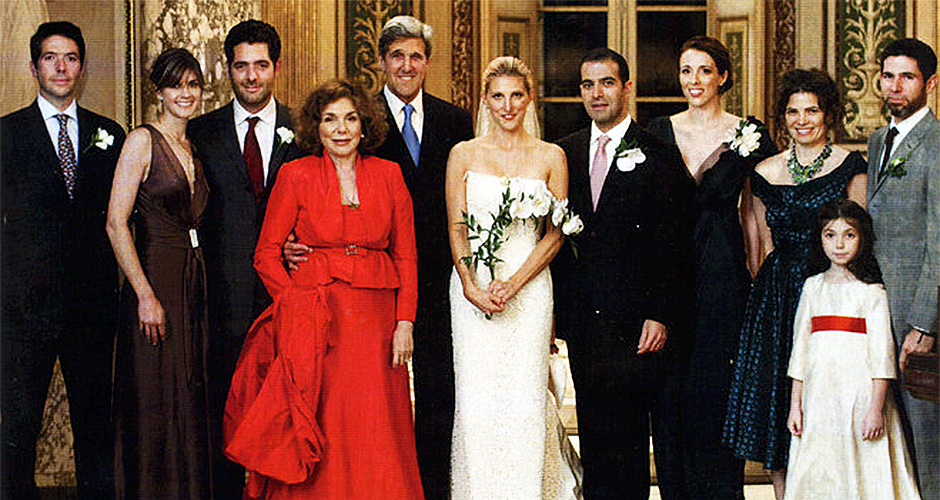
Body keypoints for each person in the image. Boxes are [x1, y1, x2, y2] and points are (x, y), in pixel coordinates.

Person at [283, 16, 475, 500]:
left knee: (439, 396)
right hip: (377, 287)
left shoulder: (455, 120)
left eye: (416, 56)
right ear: (382, 63)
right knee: (368, 408)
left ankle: (431, 491)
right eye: (397, 57)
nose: (407, 66)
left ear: (427, 62)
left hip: (443, 279)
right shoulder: (360, 120)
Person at [224, 79, 423, 500]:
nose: (341, 129)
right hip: (319, 323)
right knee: (329, 420)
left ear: (364, 126)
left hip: (378, 325)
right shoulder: (295, 175)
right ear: (316, 128)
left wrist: (405, 322)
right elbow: (266, 254)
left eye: (350, 119)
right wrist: (295, 305)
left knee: (377, 425)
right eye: (330, 120)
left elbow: (406, 256)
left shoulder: (389, 175)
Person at [551, 47, 694, 500]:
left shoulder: (659, 154)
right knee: (593, 432)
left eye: (607, 83)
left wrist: (660, 313)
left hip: (636, 322)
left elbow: (676, 243)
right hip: (583, 320)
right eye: (588, 85)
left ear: (626, 88)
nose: (597, 93)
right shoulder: (565, 152)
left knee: (629, 436)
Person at [723, 68, 867, 500]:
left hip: (831, 294)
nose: (802, 120)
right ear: (783, 117)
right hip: (777, 299)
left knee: (826, 407)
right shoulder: (763, 171)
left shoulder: (850, 166)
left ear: (828, 114)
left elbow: (859, 243)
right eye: (792, 111)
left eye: (812, 111)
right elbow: (763, 247)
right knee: (778, 410)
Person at [646, 36, 777, 500]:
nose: (694, 80)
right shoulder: (656, 131)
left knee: (717, 385)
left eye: (704, 70)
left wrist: (761, 273)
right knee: (670, 390)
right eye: (686, 70)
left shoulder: (749, 133)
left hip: (722, 270)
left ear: (723, 76)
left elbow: (758, 211)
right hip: (668, 270)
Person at [0, 21, 126, 500]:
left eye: (70, 57)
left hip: (92, 306)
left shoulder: (108, 134)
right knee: (19, 426)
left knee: (95, 426)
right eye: (50, 57)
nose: (61, 67)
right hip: (24, 309)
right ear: (34, 67)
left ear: (82, 67)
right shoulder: (7, 134)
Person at [445, 56, 581, 500]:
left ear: (529, 99)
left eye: (516, 95)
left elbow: (556, 233)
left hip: (530, 287)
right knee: (477, 400)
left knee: (524, 398)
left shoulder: (551, 156)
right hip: (473, 290)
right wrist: (471, 284)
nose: (507, 105)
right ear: (485, 100)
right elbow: (457, 227)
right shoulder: (463, 154)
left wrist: (516, 282)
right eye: (498, 96)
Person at [187, 20, 306, 500]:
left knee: (288, 415)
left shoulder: (305, 128)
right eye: (241, 66)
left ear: (277, 67)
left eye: (261, 65)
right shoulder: (201, 131)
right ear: (227, 69)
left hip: (288, 296)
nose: (251, 76)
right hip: (223, 299)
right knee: (224, 412)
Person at [107, 48, 211, 500]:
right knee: (155, 399)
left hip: (192, 285)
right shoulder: (141, 141)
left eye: (192, 84)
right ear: (159, 91)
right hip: (154, 283)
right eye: (175, 85)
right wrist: (145, 296)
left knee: (185, 398)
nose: (185, 94)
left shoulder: (193, 146)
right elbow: (115, 223)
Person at [784, 198, 920, 500]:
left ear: (862, 238)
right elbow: (800, 351)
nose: (839, 244)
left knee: (862, 464)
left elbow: (882, 356)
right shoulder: (812, 287)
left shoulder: (871, 292)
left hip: (860, 398)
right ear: (820, 239)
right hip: (819, 399)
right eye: (830, 235)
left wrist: (875, 409)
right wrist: (796, 405)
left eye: (849, 235)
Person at [868, 37, 940, 500]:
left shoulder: (937, 143)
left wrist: (923, 324)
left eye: (907, 77)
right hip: (879, 312)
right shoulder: (879, 140)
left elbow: (939, 240)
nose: (895, 87)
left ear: (930, 83)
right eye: (888, 76)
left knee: (927, 438)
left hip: (918, 319)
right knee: (892, 443)